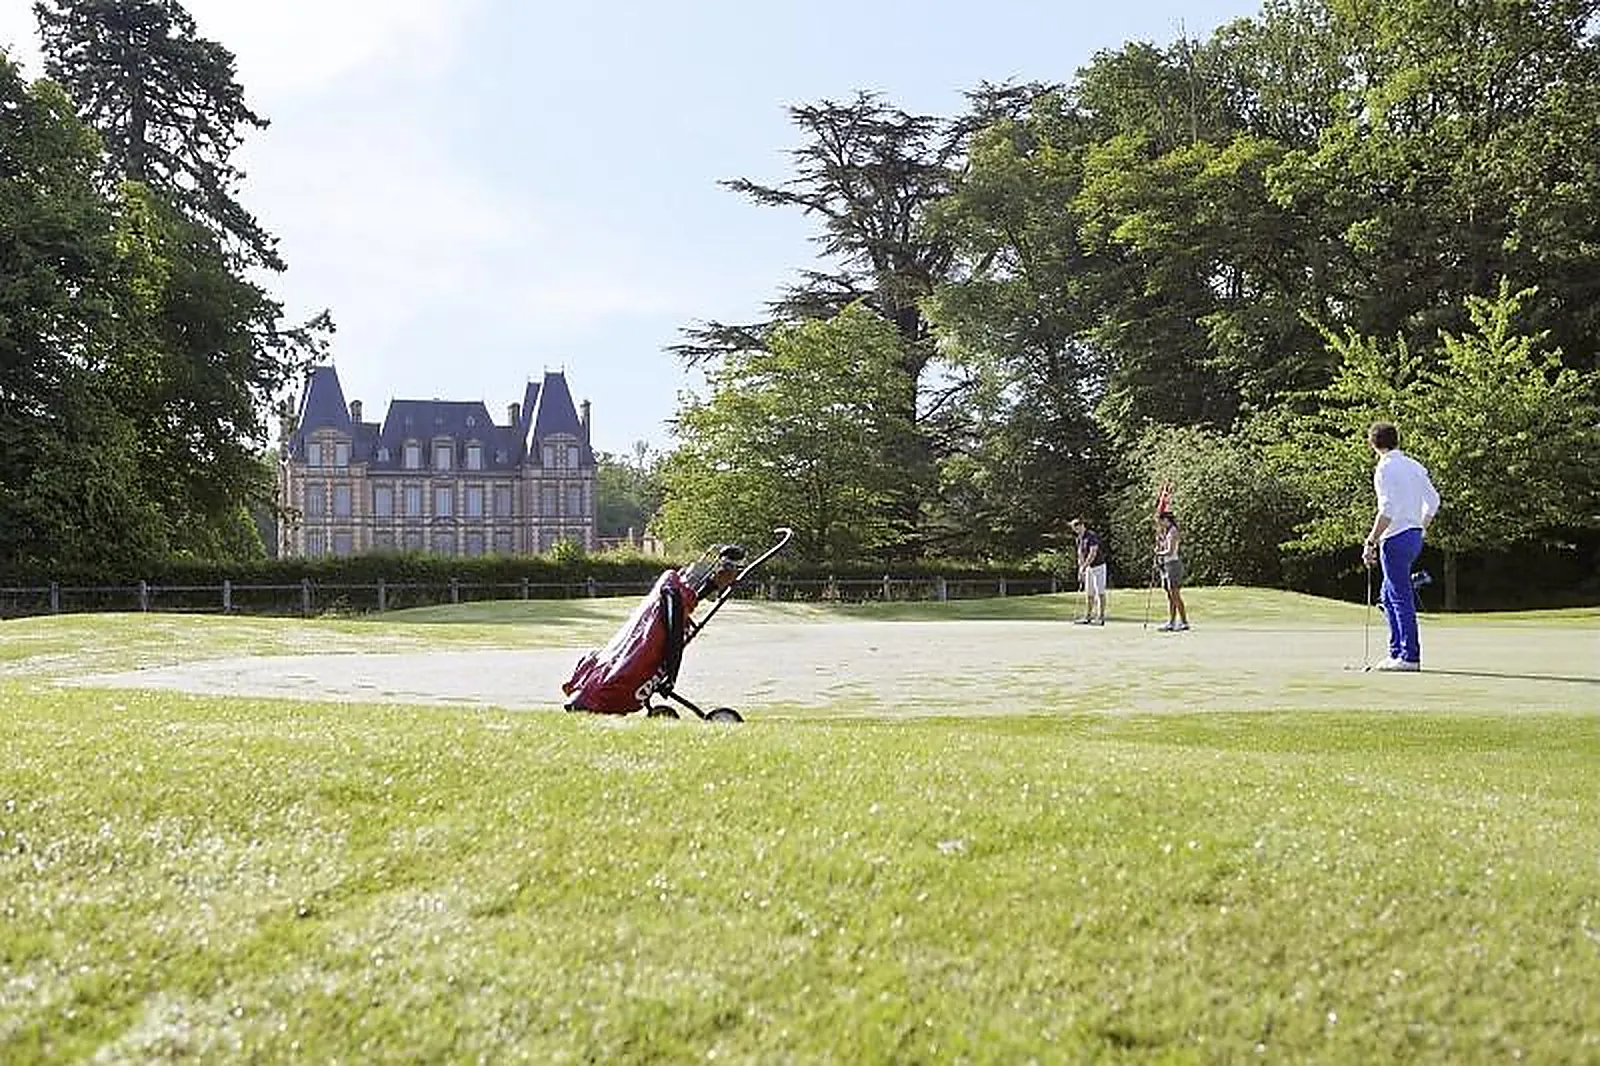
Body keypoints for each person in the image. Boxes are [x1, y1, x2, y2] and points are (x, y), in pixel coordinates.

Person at [1362, 421, 1440, 671]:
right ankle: (1396, 652)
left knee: (1399, 596)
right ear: (1397, 440)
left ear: (1373, 444)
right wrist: (1422, 525)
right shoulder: (1414, 466)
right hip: (1414, 536)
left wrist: (1371, 540)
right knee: (1388, 595)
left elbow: (1387, 511)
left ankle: (1409, 656)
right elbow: (1434, 500)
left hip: (1395, 538)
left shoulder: (1385, 468)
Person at [1154, 511, 1189, 631]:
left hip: (1173, 565)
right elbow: (1164, 547)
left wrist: (1158, 553)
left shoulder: (1173, 531)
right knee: (1170, 595)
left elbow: (1170, 551)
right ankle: (1172, 621)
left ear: (1165, 520)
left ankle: (1184, 622)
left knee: (1175, 594)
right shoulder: (1166, 532)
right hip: (1166, 565)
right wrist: (1159, 543)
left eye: (1160, 521)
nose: (1159, 524)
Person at [1069, 517, 1107, 625]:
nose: (1077, 531)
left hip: (1099, 566)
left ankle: (1101, 617)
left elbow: (1093, 553)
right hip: (1089, 568)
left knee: (1100, 592)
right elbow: (1080, 554)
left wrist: (1085, 566)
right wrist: (1081, 568)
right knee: (1089, 593)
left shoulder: (1091, 536)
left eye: (1078, 528)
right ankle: (1088, 616)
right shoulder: (1079, 539)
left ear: (1082, 525)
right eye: (1075, 529)